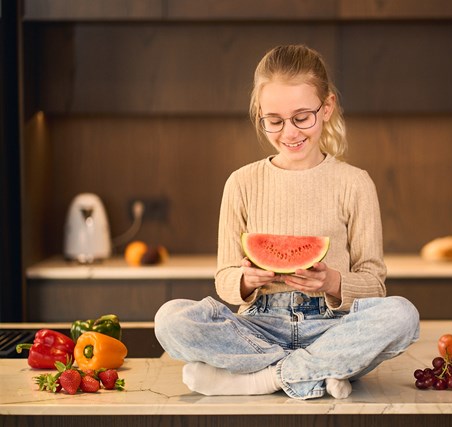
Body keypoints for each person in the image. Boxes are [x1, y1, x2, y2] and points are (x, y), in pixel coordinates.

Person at [154, 44, 420, 400]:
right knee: (170, 319)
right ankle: (320, 370)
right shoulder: (241, 182)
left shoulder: (355, 183)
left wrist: (332, 281)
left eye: (302, 117)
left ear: (326, 108)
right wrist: (246, 280)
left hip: (332, 326)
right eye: (274, 121)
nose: (289, 133)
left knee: (402, 315)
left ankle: (260, 379)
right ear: (259, 115)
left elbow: (375, 284)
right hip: (257, 327)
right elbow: (225, 279)